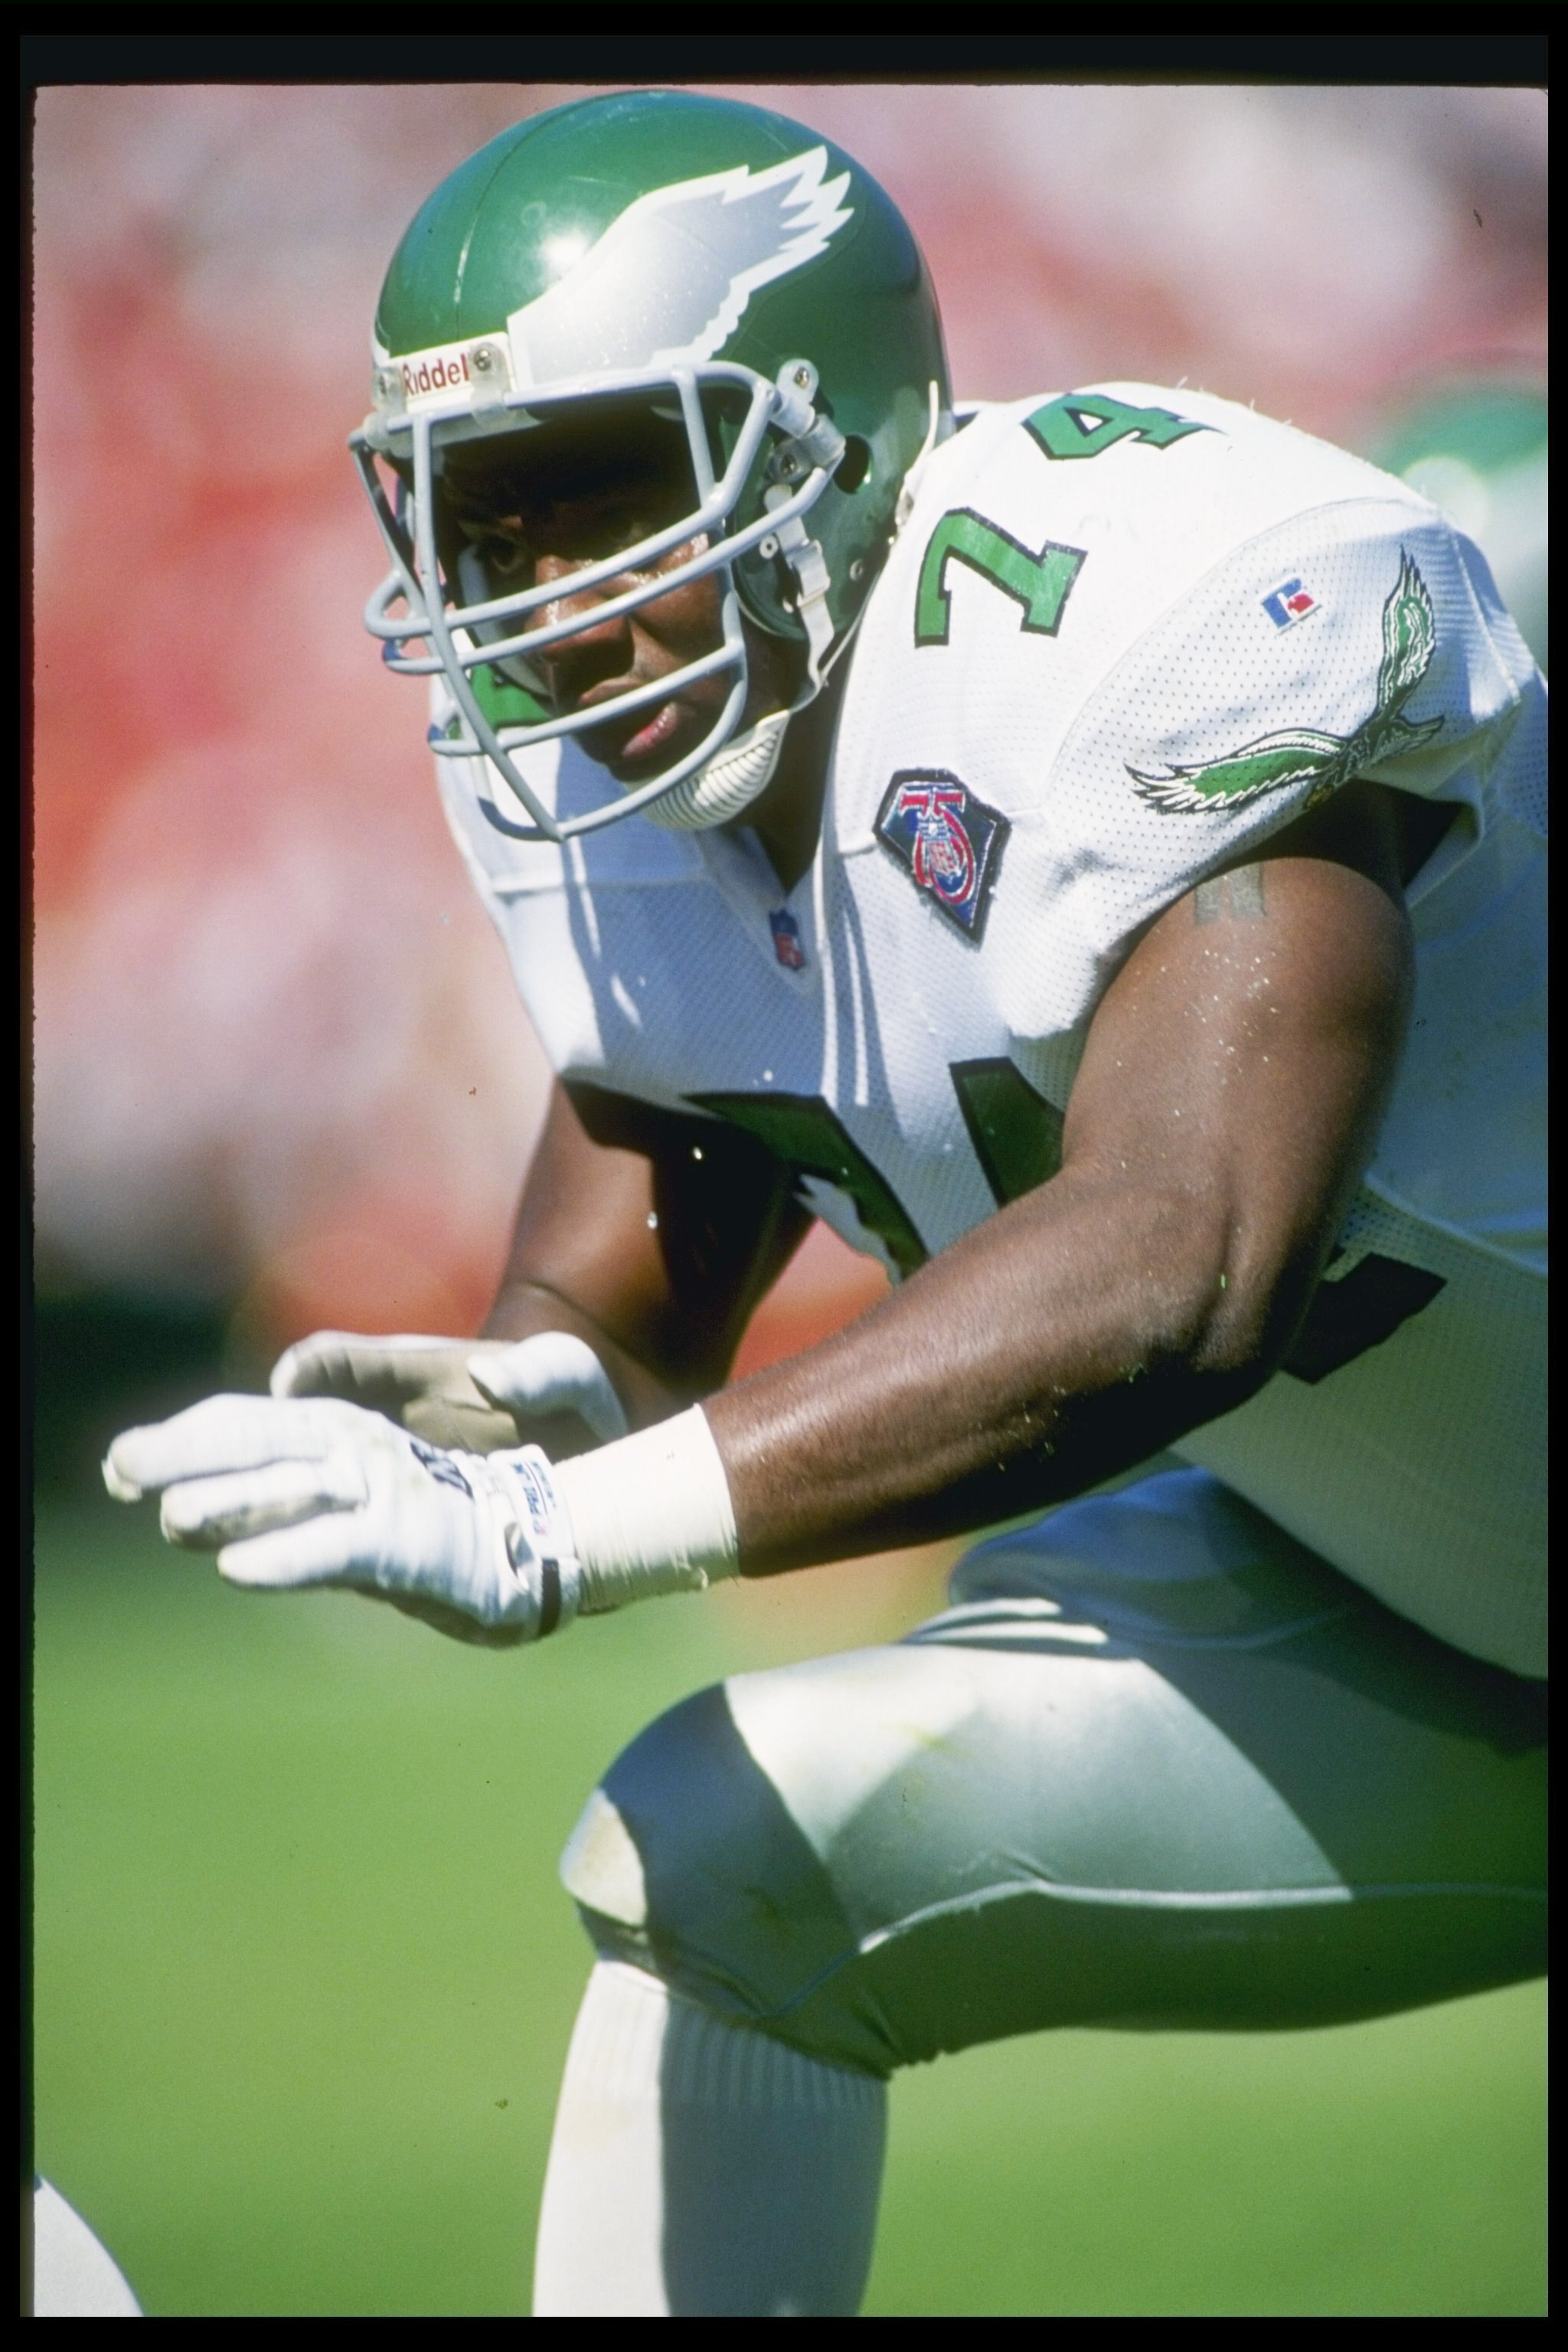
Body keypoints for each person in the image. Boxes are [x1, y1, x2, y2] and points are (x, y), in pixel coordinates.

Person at [104, 90, 1546, 2318]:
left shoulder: (1149, 615)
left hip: (1399, 1521)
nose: (547, 595)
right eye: (485, 513)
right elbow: (639, 1257)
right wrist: (524, 1407)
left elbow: (1184, 1260)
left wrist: (560, 1533)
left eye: (610, 487)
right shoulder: (616, 769)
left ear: (829, 437)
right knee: (722, 1861)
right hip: (1396, 1589)